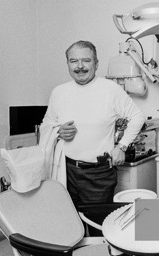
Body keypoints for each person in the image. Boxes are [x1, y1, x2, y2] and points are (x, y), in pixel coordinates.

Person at [41, 40, 146, 207]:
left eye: (86, 60)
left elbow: (137, 116)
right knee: (69, 222)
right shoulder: (58, 92)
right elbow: (47, 124)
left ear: (96, 64)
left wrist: (122, 146)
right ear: (67, 63)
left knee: (97, 224)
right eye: (74, 61)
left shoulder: (110, 89)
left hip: (98, 173)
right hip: (65, 170)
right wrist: (58, 131)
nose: (80, 66)